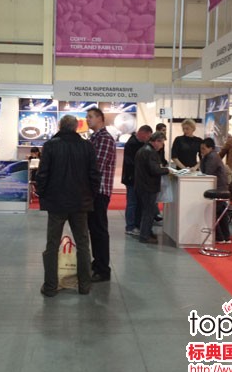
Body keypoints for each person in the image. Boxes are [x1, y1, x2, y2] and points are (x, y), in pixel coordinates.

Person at [35, 115, 100, 297]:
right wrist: (91, 195)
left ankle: (50, 286)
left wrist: (42, 194)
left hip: (56, 203)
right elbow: (94, 174)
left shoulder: (50, 146)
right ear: (76, 127)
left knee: (52, 245)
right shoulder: (87, 146)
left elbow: (42, 174)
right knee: (83, 244)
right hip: (80, 203)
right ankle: (84, 285)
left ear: (60, 126)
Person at [86, 108, 117, 282]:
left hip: (99, 191)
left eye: (90, 117)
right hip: (93, 191)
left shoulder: (104, 139)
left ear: (100, 118)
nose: (87, 119)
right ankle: (97, 262)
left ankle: (103, 269)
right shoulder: (94, 138)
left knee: (99, 230)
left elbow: (96, 166)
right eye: (87, 117)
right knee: (94, 229)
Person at [134, 131, 170, 244]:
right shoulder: (150, 152)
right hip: (148, 186)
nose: (162, 146)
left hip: (142, 185)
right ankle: (145, 236)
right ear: (156, 141)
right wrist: (167, 170)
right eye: (161, 143)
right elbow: (155, 170)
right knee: (148, 212)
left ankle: (146, 232)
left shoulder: (143, 149)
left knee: (146, 211)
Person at [121, 125, 152, 237]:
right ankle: (130, 226)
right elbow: (131, 162)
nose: (148, 139)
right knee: (132, 203)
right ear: (143, 133)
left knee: (137, 203)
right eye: (148, 136)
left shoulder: (139, 143)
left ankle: (136, 225)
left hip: (137, 178)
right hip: (131, 178)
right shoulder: (132, 144)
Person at [200, 138, 231, 244]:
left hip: (218, 189)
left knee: (214, 212)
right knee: (221, 213)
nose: (202, 151)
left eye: (203, 149)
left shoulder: (212, 157)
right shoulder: (213, 156)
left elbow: (207, 172)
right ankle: (226, 237)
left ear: (210, 148)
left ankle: (219, 237)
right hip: (221, 187)